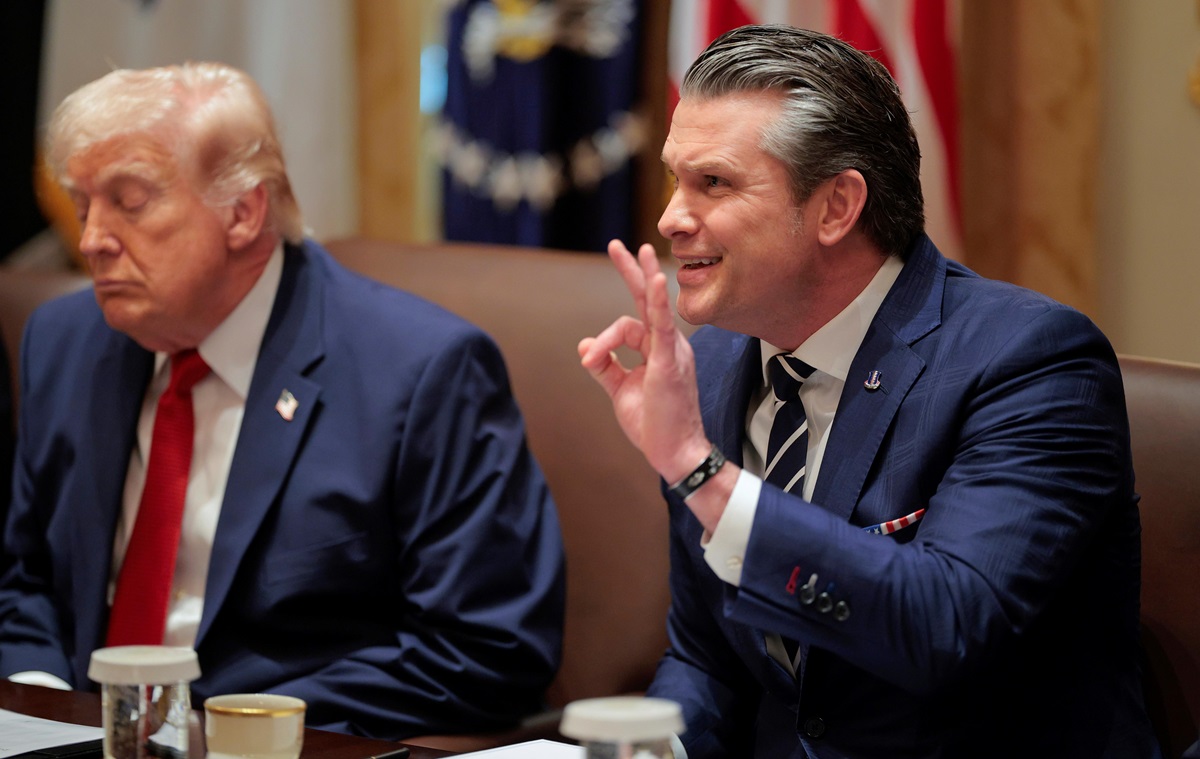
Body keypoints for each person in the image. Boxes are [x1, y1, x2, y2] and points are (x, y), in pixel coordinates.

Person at [579, 25, 1158, 759]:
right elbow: (709, 658)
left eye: (714, 183)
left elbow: (943, 626)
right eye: (674, 179)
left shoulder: (1031, 363)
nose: (670, 218)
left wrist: (700, 473)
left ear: (836, 207)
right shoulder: (716, 362)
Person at [0, 62, 565, 741]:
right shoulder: (63, 342)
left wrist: (215, 730)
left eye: (129, 201)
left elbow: (487, 648)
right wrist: (43, 708)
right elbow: (25, 578)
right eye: (83, 204)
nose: (91, 238)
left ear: (243, 212)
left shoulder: (421, 373)